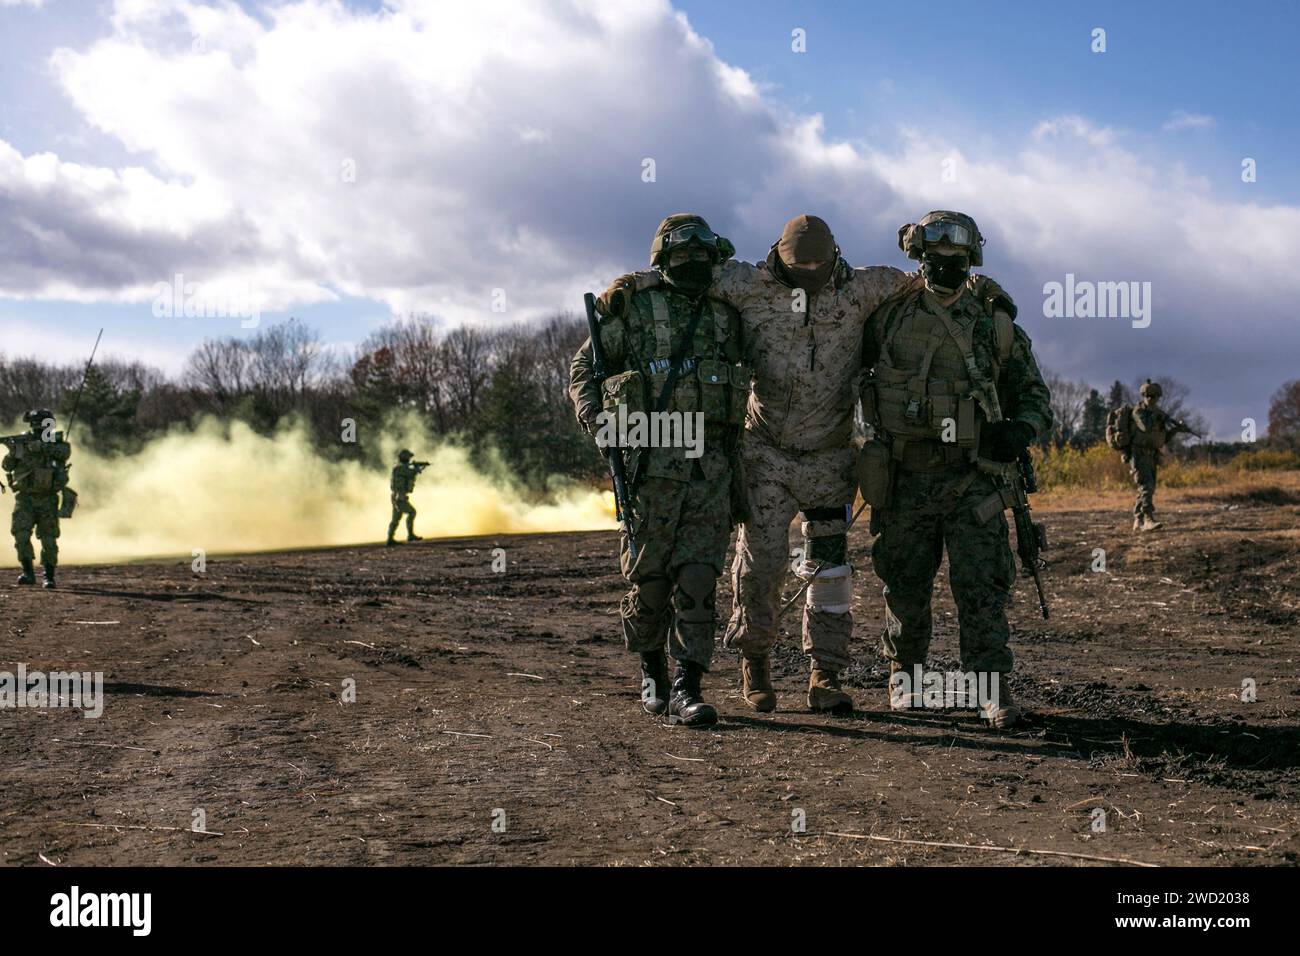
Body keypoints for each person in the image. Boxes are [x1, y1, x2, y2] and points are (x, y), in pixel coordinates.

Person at [599, 214, 1014, 715]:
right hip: (765, 455)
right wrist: (630, 283)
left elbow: (931, 277)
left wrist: (986, 290)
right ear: (781, 258)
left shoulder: (864, 288)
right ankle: (756, 663)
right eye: (802, 268)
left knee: (830, 572)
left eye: (820, 266)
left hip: (829, 458)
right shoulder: (748, 284)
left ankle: (827, 673)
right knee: (761, 566)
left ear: (836, 256)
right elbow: (685, 273)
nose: (811, 274)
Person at [861, 210, 1052, 728]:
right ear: (919, 257)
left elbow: (1035, 395)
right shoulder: (888, 316)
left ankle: (991, 689)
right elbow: (844, 376)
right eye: (935, 256)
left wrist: (1019, 431)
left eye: (956, 257)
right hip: (906, 478)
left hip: (975, 480)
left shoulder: (994, 322)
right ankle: (906, 681)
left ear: (972, 259)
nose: (945, 265)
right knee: (904, 587)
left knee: (982, 590)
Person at [570, 214, 748, 728]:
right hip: (651, 470)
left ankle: (686, 687)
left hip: (711, 472)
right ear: (662, 259)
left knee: (697, 580)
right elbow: (584, 370)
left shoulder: (726, 316)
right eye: (680, 255)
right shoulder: (636, 309)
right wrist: (598, 421)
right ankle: (651, 673)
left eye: (701, 255)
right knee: (649, 584)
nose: (691, 263)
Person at [3, 409, 72, 589]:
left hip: (47, 498)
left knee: (48, 539)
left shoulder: (55, 442)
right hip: (24, 498)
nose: (35, 427)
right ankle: (28, 573)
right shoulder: (21, 443)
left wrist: (42, 447)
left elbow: (64, 453)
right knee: (21, 535)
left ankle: (48, 576)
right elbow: (7, 466)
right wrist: (12, 451)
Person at [1114, 380, 1193, 531]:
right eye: (1149, 396)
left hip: (1152, 455)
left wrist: (1177, 429)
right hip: (1138, 454)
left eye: (1155, 396)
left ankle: (1138, 518)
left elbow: (1162, 439)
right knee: (1146, 486)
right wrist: (1157, 415)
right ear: (1143, 396)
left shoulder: (1158, 414)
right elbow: (1145, 427)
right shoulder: (1138, 412)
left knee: (1148, 487)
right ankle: (1148, 519)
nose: (1151, 399)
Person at [387, 450, 426, 545]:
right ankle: (410, 535)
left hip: (397, 495)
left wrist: (417, 469)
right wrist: (417, 469)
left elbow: (409, 474)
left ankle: (390, 539)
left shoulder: (400, 467)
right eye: (408, 457)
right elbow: (410, 473)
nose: (409, 459)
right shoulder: (400, 467)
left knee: (396, 518)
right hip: (399, 495)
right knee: (412, 512)